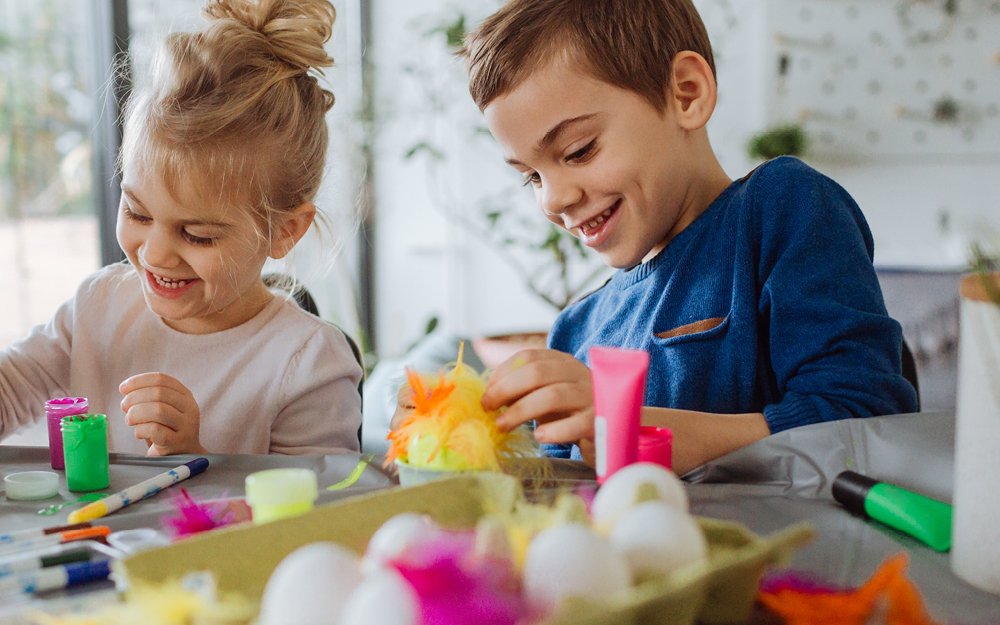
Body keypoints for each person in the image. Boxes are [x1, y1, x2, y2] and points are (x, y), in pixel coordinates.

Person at [440, 0, 918, 474]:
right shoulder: (576, 330)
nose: (552, 200)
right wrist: (457, 431)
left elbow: (866, 423)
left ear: (687, 95)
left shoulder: (780, 208)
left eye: (578, 150)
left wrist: (636, 432)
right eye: (532, 178)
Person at [0, 0, 362, 456]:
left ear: (285, 231)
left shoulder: (308, 364)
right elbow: (10, 391)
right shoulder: (98, 308)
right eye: (137, 213)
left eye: (197, 235)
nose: (154, 253)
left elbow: (320, 512)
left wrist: (195, 456)